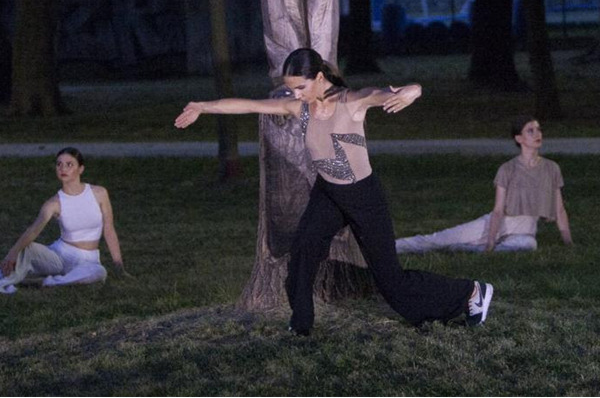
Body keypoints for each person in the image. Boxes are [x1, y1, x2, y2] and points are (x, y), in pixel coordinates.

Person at [175, 48, 493, 333]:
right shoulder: (300, 108)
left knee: (391, 282)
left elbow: (382, 93)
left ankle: (470, 292)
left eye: (301, 87)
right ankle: (300, 326)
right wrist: (202, 106)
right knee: (302, 253)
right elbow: (248, 105)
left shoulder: (349, 102)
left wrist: (413, 90)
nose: (296, 94)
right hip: (328, 193)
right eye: (291, 88)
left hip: (363, 197)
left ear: (318, 77)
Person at [395, 115, 573, 254]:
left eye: (538, 129)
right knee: (437, 240)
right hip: (494, 226)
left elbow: (559, 210)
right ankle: (392, 247)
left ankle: (468, 249)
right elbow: (498, 210)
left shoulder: (550, 168)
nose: (537, 134)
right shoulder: (508, 169)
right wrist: (490, 241)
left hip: (523, 234)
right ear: (519, 138)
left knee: (528, 245)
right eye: (530, 131)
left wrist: (568, 242)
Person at [0, 147, 126, 294]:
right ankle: (7, 279)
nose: (63, 168)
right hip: (59, 257)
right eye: (59, 164)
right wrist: (12, 253)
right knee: (28, 248)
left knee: (99, 272)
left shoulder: (99, 193)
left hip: (89, 260)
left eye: (69, 164)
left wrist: (119, 266)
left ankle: (46, 282)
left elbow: (109, 229)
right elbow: (33, 230)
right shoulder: (54, 203)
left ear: (81, 169)